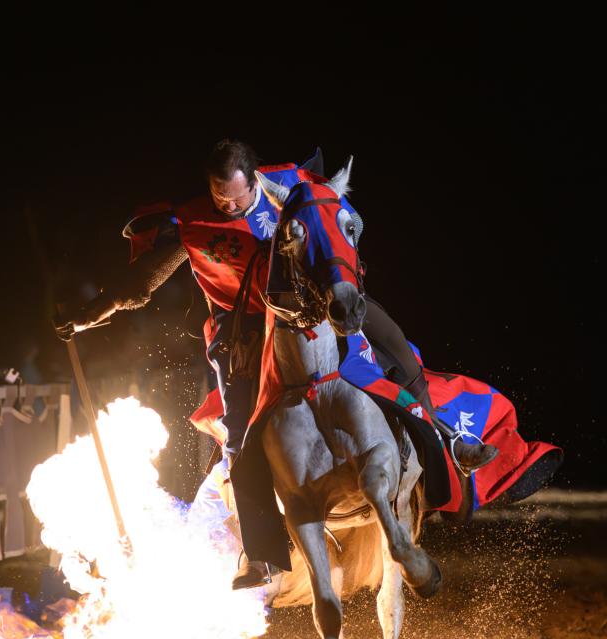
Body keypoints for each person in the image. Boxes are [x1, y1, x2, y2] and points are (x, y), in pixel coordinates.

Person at [56, 140, 496, 588]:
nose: (227, 204)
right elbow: (140, 283)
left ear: (255, 180)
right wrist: (86, 316)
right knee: (239, 435)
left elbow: (344, 214)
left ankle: (450, 445)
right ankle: (260, 552)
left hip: (317, 303)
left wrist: (343, 261)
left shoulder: (289, 183)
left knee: (399, 351)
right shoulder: (193, 222)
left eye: (236, 196)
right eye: (218, 195)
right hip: (243, 334)